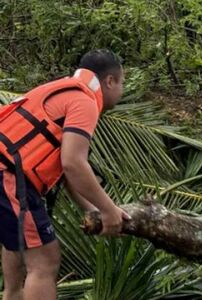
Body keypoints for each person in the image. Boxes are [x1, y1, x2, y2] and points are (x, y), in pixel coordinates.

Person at [0, 49, 130, 300]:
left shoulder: (62, 88)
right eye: (122, 83)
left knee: (17, 243)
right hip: (9, 177)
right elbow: (73, 162)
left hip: (7, 173)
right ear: (109, 81)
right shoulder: (85, 101)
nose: (122, 90)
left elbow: (68, 172)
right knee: (45, 261)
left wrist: (95, 209)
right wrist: (110, 210)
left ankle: (12, 296)